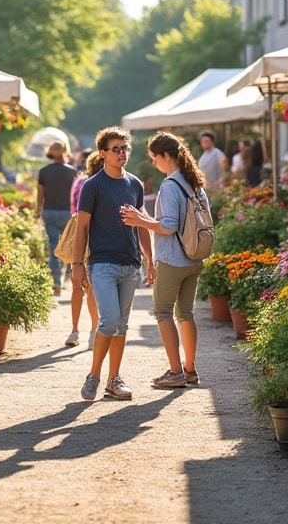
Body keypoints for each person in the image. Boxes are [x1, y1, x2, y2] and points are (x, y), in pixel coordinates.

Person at [71, 126, 153, 401]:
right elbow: (82, 228)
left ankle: (113, 380)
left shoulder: (135, 184)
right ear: (103, 153)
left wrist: (150, 259)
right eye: (116, 149)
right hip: (102, 264)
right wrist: (76, 265)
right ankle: (94, 374)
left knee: (122, 326)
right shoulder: (92, 186)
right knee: (110, 321)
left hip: (131, 264)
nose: (122, 153)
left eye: (125, 148)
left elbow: (142, 224)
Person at [122, 131, 207, 388]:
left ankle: (175, 372)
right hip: (194, 257)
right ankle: (190, 370)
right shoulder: (195, 183)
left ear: (165, 156)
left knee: (162, 312)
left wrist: (140, 220)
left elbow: (168, 226)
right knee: (186, 313)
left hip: (172, 259)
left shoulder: (170, 185)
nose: (153, 163)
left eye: (154, 158)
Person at [63, 150, 102, 348]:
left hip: (78, 237)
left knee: (76, 285)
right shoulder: (103, 184)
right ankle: (93, 332)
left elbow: (73, 208)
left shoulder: (80, 182)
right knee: (92, 286)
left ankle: (74, 330)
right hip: (95, 237)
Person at [36, 140, 79, 296]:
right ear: (65, 151)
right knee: (71, 244)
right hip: (68, 213)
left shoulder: (44, 172)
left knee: (54, 245)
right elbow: (75, 195)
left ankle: (56, 282)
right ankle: (72, 278)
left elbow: (40, 194)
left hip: (49, 211)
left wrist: (38, 210)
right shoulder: (72, 172)